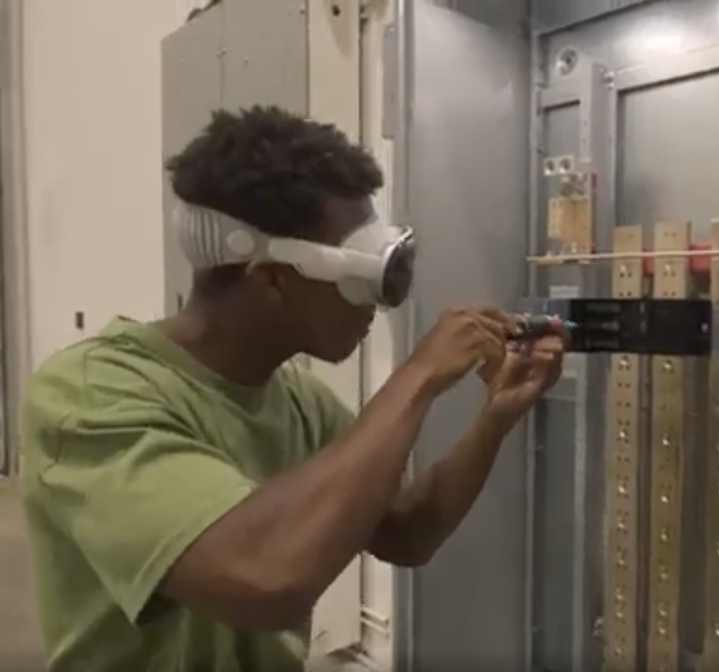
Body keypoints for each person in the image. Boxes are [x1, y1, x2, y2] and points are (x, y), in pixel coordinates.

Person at [19, 106, 565, 672]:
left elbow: (406, 533)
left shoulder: (302, 403)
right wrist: (418, 376)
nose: (378, 308)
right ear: (273, 279)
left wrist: (493, 418)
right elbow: (265, 579)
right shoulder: (89, 396)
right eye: (364, 282)